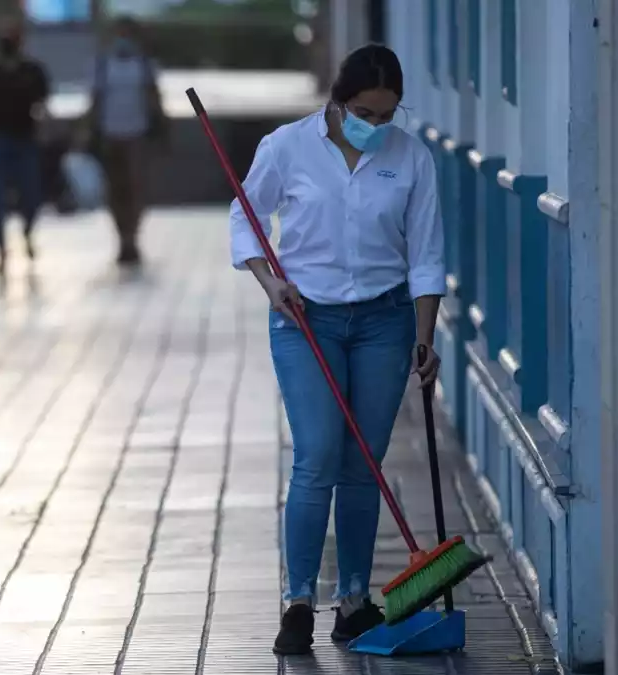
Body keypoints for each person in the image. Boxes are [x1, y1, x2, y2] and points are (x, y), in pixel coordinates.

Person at [228, 44, 444, 655]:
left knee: (362, 465)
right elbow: (245, 217)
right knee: (317, 453)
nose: (376, 127)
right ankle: (298, 602)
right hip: (305, 319)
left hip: (385, 320)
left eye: (387, 116)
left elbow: (426, 255)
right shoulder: (285, 148)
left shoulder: (412, 158)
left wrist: (424, 336)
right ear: (336, 100)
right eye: (364, 113)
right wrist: (270, 283)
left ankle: (353, 601)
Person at [83, 16, 167, 267]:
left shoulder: (143, 64)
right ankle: (122, 237)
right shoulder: (101, 64)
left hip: (136, 134)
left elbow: (154, 98)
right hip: (110, 134)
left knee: (136, 187)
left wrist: (163, 129)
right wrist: (88, 130)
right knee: (116, 189)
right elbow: (95, 100)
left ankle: (132, 236)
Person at [0, 17, 51, 274]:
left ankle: (27, 231)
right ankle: (1, 248)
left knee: (31, 194)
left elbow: (43, 104)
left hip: (24, 138)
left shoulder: (32, 71)